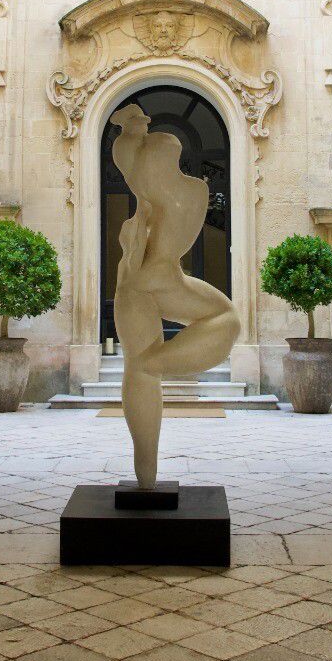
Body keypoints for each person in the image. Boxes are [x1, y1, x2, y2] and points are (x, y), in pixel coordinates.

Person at [109, 103, 241, 489]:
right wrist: (131, 125)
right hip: (150, 283)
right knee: (222, 320)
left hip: (155, 281)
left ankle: (146, 472)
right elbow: (128, 155)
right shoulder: (166, 192)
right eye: (172, 160)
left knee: (222, 320)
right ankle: (146, 473)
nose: (178, 167)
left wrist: (132, 126)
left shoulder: (157, 195)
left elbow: (128, 155)